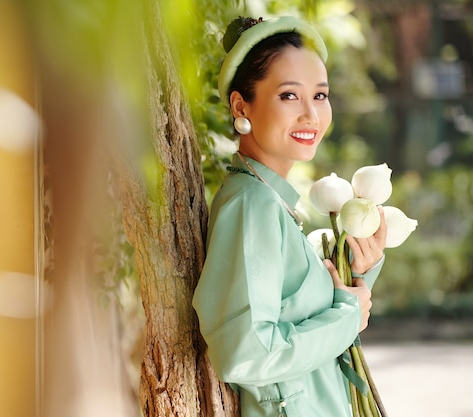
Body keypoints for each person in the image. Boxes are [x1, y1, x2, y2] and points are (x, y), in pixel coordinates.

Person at [192, 16, 387, 417]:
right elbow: (247, 354)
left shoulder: (270, 200)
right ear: (240, 105)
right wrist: (348, 317)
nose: (311, 116)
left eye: (320, 95)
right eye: (288, 96)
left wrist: (357, 275)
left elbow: (307, 321)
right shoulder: (252, 205)